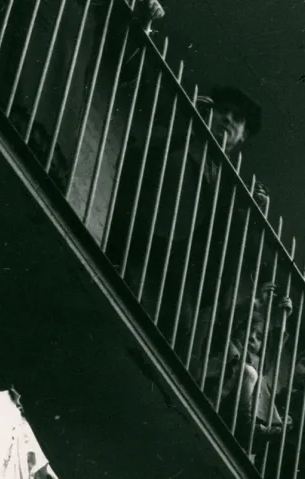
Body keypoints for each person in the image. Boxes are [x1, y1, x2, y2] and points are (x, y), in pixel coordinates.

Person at [106, 83, 267, 336]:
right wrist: (186, 122)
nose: (228, 119)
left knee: (170, 338)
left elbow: (225, 247)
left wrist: (251, 216)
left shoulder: (230, 186)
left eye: (238, 118)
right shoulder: (179, 140)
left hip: (180, 279)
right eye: (223, 110)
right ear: (209, 114)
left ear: (243, 135)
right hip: (143, 250)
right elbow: (137, 165)